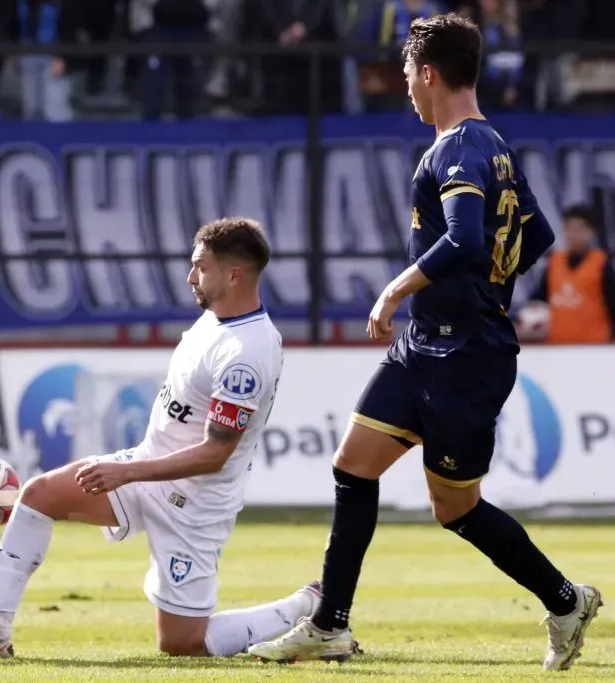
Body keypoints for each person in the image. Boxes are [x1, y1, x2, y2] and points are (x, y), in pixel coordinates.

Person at [247, 14, 601, 671]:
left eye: (408, 73)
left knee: (455, 508)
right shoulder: (493, 145)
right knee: (353, 466)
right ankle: (329, 625)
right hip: (426, 344)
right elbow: (538, 236)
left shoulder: (458, 149)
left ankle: (565, 599)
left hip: (466, 356)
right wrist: (488, 289)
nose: (406, 85)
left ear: (429, 73)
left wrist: (397, 288)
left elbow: (465, 238)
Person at [0, 217, 330, 661]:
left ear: (234, 275)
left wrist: (126, 472)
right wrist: (132, 469)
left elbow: (215, 454)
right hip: (147, 467)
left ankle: (306, 605)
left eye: (201, 267)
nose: (190, 276)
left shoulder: (247, 354)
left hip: (195, 505)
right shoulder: (214, 320)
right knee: (39, 495)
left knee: (181, 644)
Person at [523, 205, 615, 344]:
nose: (573, 235)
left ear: (591, 232)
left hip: (595, 347)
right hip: (558, 346)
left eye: (579, 229)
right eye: (569, 229)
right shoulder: (554, 262)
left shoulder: (602, 264)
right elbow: (539, 299)